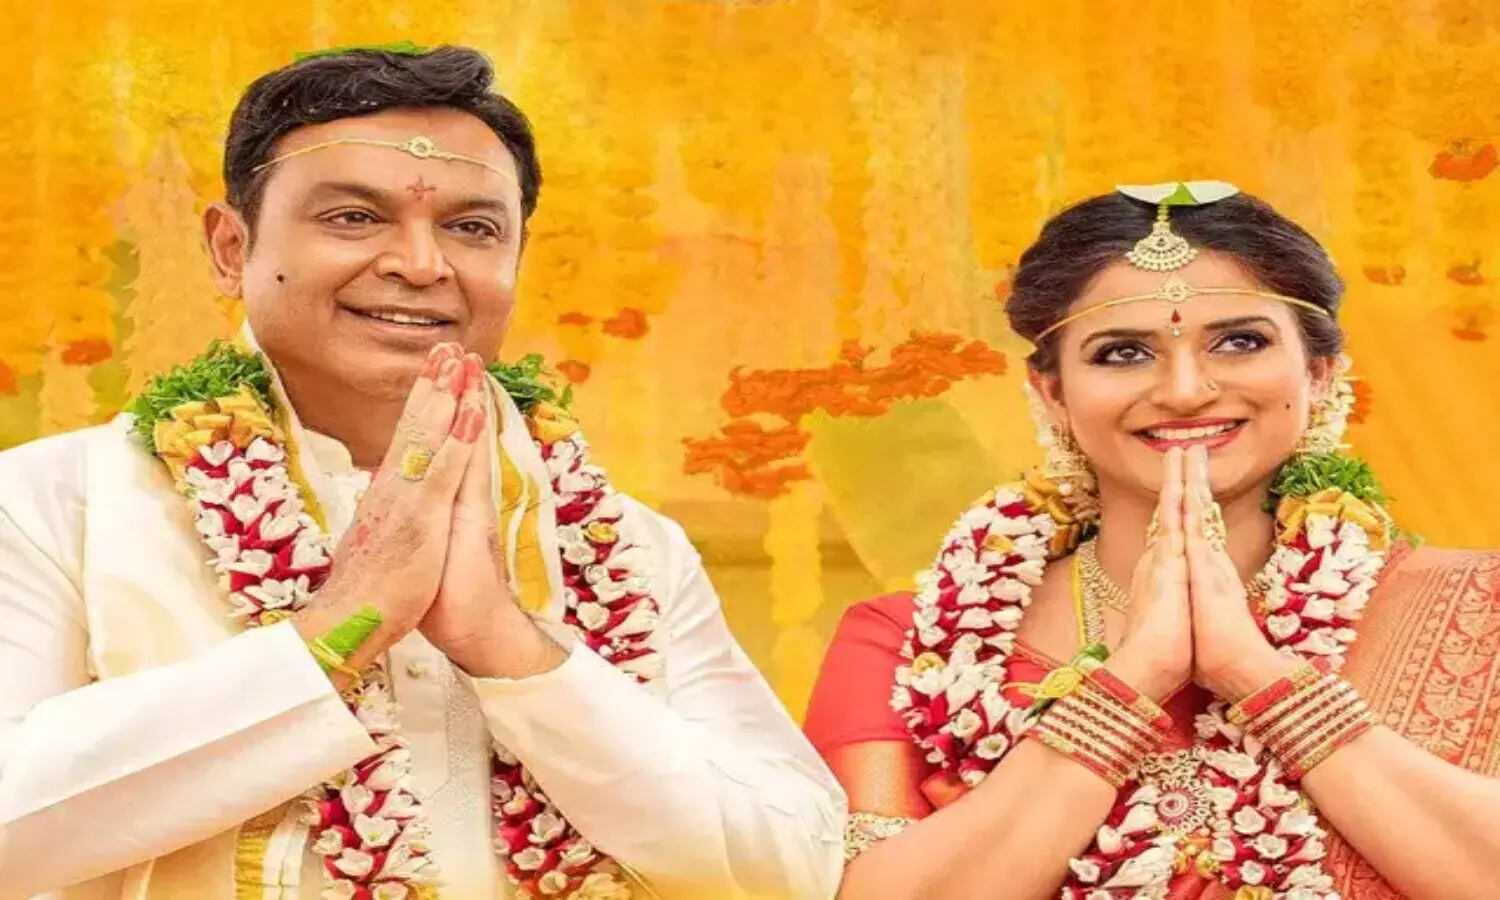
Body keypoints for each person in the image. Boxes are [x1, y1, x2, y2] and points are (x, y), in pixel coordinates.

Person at [0, 45, 844, 900]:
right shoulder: (53, 506)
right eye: (353, 218)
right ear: (231, 246)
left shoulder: (626, 544)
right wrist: (339, 628)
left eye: (472, 228)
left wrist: (512, 649)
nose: (420, 263)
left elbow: (796, 866)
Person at [803, 181, 1500, 899]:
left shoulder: (1483, 609)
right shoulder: (909, 648)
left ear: (1319, 371)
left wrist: (1259, 679)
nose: (1185, 391)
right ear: (1050, 392)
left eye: (1239, 342)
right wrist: (1133, 680)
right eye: (1123, 352)